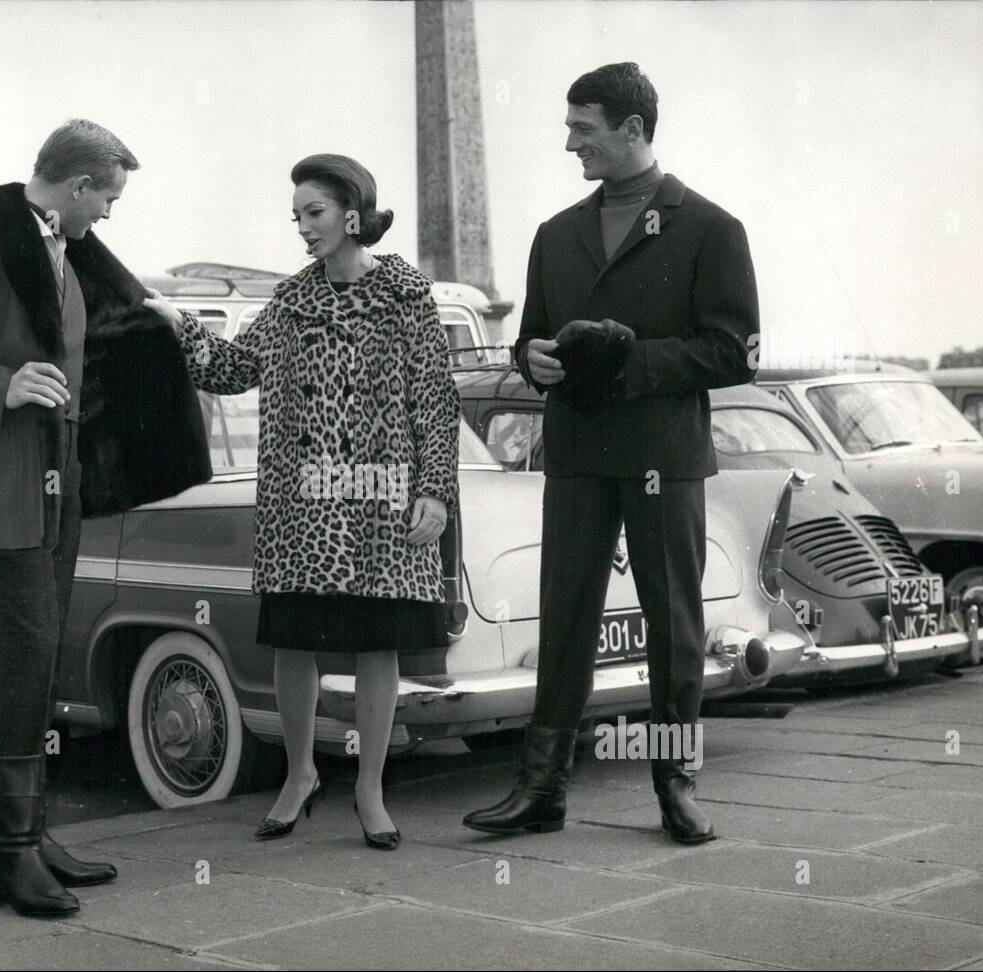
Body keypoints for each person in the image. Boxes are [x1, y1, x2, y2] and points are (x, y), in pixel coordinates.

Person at [0, 119, 212, 915]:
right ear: (77, 187)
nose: (108, 214)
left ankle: (28, 836)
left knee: (33, 659)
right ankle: (8, 856)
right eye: (107, 197)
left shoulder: (71, 257)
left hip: (57, 487)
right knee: (25, 651)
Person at [463, 63, 759, 843]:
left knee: (674, 625)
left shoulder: (712, 229)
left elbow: (736, 354)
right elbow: (531, 336)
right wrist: (536, 362)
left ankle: (675, 786)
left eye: (582, 129)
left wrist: (631, 360)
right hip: (578, 455)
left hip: (665, 454)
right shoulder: (555, 235)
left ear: (632, 129)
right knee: (564, 618)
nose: (570, 144)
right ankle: (541, 789)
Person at [144, 154, 462, 850]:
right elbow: (232, 371)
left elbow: (436, 405)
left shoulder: (408, 298)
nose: (303, 228)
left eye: (313, 213)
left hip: (382, 503)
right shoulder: (289, 301)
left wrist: (436, 492)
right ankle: (300, 777)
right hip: (302, 509)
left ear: (353, 213)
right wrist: (180, 327)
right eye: (297, 217)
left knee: (378, 647)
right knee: (294, 641)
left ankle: (371, 791)